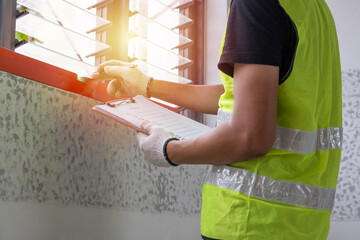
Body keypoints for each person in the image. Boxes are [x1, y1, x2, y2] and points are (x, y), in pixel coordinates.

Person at [92, 0, 342, 239]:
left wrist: (169, 151)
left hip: (251, 221)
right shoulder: (315, 9)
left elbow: (250, 137)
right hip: (303, 228)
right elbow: (251, 97)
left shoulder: (256, 3)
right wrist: (148, 87)